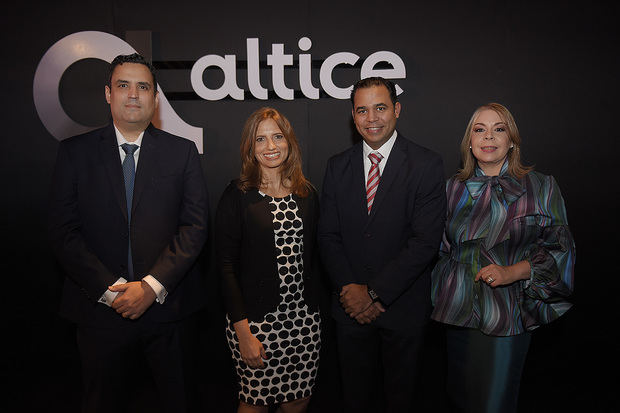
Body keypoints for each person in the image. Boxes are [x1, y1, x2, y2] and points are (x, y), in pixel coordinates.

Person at [48, 53, 209, 413]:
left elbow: (195, 226)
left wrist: (151, 287)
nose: (133, 94)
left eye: (143, 87)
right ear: (108, 93)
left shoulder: (182, 153)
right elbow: (63, 231)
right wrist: (111, 291)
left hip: (170, 312)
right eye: (123, 85)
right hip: (99, 313)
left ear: (155, 98)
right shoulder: (74, 154)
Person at [431, 102, 576, 413]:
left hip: (507, 313)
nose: (489, 137)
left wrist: (513, 272)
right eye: (479, 130)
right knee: (461, 401)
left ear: (512, 140)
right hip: (458, 314)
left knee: (493, 404)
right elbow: (440, 249)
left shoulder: (541, 186)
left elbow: (561, 251)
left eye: (499, 129)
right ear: (469, 141)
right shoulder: (451, 189)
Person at [318, 77, 447, 413]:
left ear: (397, 110)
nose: (371, 117)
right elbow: (327, 236)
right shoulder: (336, 166)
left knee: (401, 401)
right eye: (362, 110)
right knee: (354, 401)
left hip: (402, 311)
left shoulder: (427, 164)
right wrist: (352, 292)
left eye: (380, 107)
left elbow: (425, 242)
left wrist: (374, 294)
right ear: (353, 116)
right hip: (349, 312)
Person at [216, 107, 322, 413]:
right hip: (256, 322)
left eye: (277, 136)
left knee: (299, 399)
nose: (271, 146)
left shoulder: (307, 194)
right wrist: (243, 332)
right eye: (260, 139)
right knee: (255, 401)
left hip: (304, 321)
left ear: (289, 141)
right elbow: (225, 267)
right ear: (250, 148)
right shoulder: (237, 195)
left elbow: (316, 257)